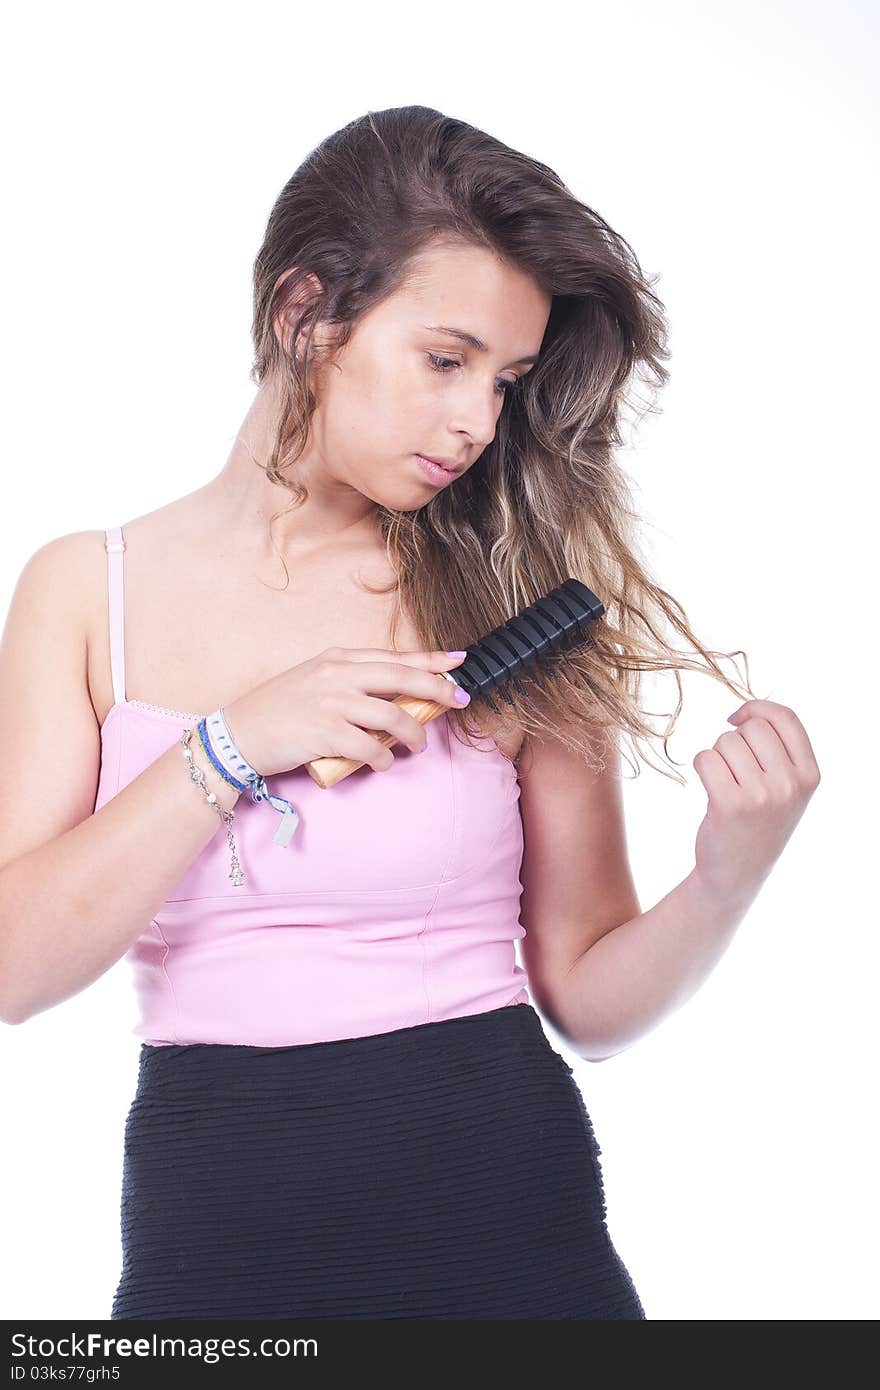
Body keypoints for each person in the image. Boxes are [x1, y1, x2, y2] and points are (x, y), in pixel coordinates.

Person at [0, 106, 820, 1321]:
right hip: (212, 1233)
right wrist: (233, 744)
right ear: (304, 313)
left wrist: (727, 877)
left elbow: (588, 999)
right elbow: (14, 968)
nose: (478, 424)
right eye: (446, 360)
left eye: (505, 381)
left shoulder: (501, 596)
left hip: (506, 1217)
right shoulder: (85, 589)